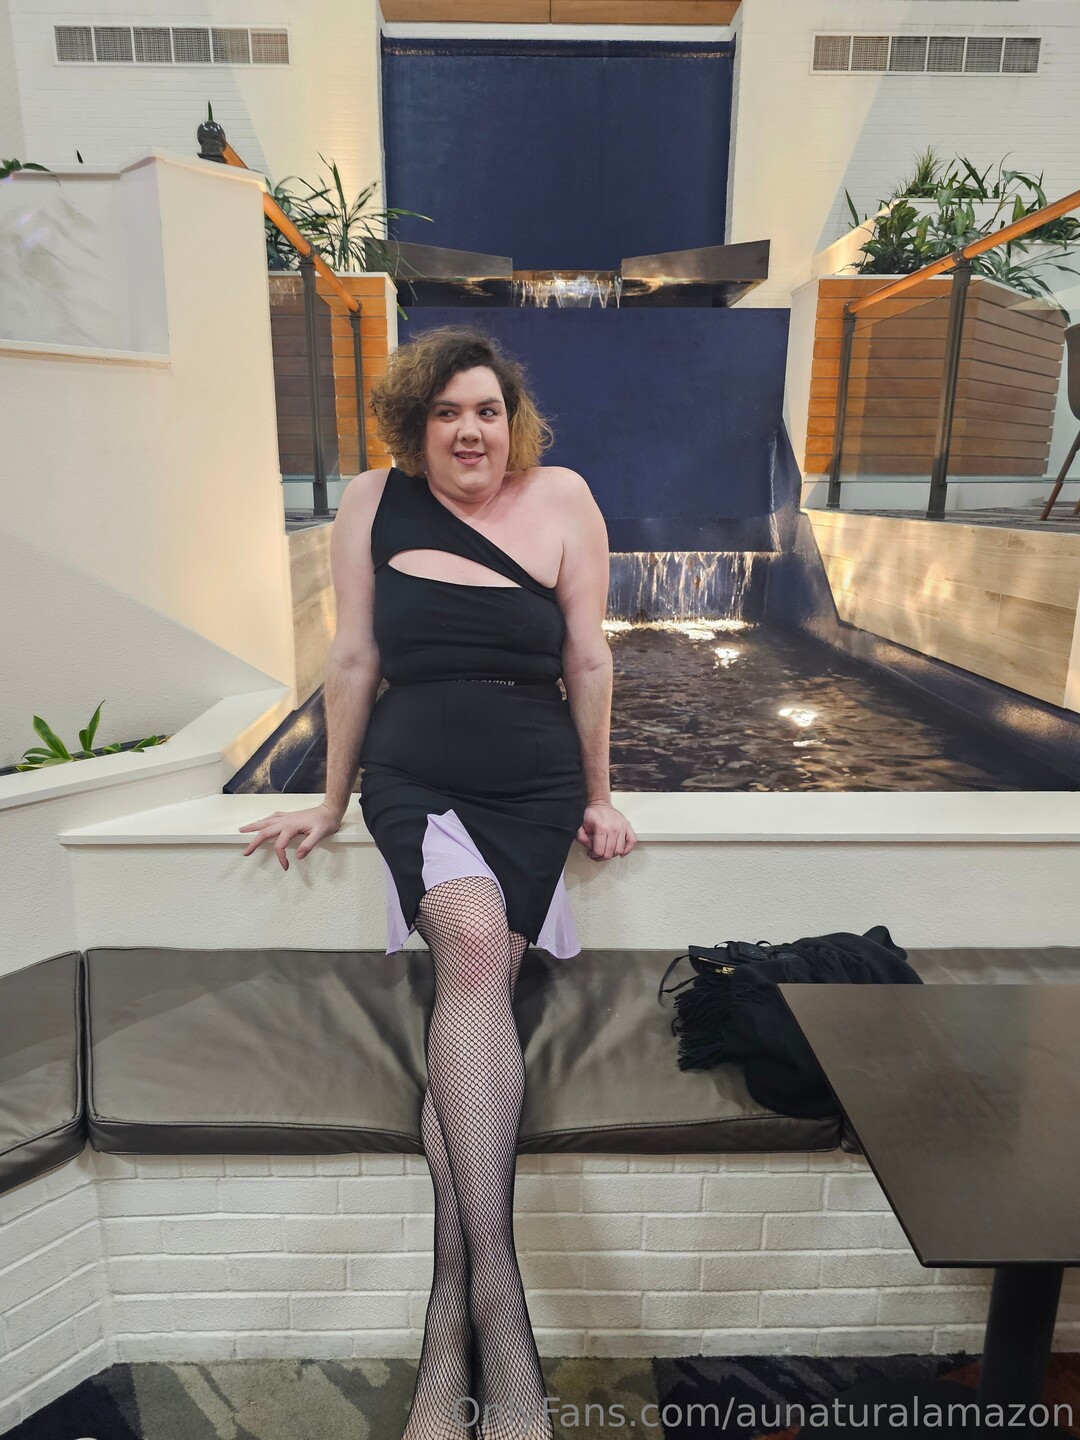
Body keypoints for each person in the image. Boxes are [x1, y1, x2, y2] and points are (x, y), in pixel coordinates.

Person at [239, 324, 636, 1439]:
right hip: (416, 775)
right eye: (448, 412)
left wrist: (601, 795)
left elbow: (588, 657)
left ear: (514, 423)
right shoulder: (373, 501)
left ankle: (446, 1335)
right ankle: (504, 1322)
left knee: (475, 990)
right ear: (415, 426)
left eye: (488, 412)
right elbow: (353, 657)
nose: (471, 431)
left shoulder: (565, 498)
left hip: (533, 782)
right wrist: (329, 801)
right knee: (468, 946)